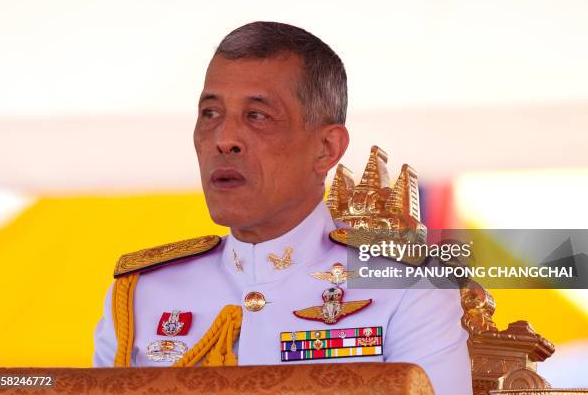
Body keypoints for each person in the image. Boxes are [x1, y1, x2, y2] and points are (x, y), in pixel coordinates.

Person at [94, 21, 472, 394]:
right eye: (210, 114)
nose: (224, 139)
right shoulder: (142, 293)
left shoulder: (408, 285)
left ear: (326, 149)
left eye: (258, 116)